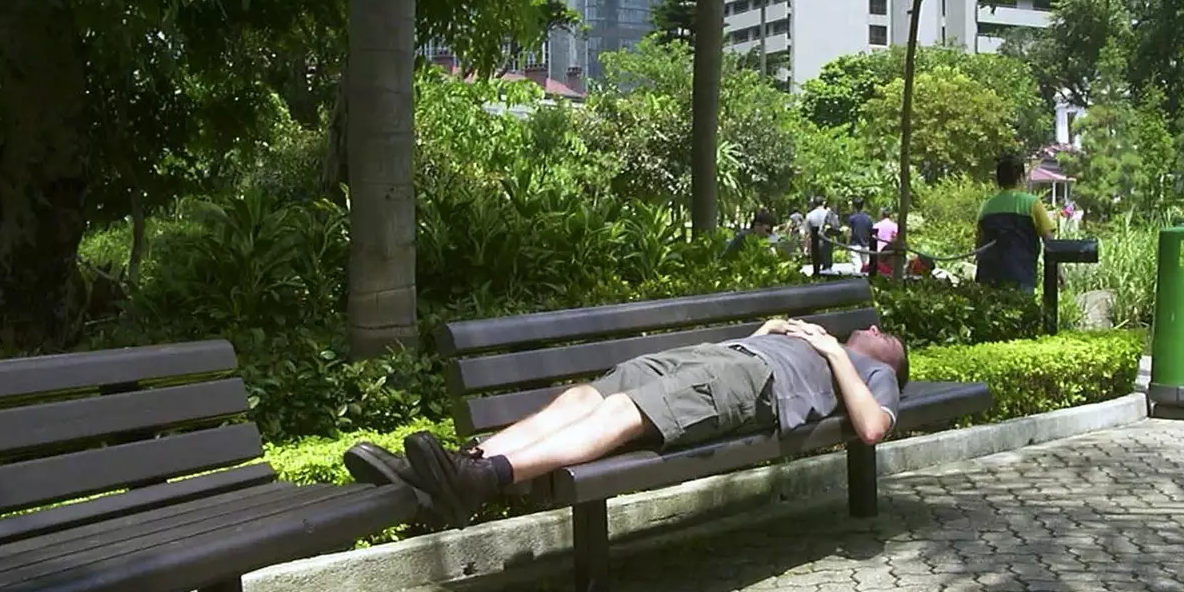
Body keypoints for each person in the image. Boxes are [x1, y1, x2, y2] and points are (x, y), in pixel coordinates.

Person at [344, 319, 909, 527]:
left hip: (748, 385)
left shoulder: (866, 371)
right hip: (715, 360)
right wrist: (770, 332)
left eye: (893, 340)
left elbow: (871, 429)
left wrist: (834, 353)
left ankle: (485, 478)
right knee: (579, 399)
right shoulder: (821, 339)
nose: (883, 331)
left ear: (888, 363)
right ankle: (453, 470)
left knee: (623, 415)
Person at [975, 154, 1057, 293]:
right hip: (1021, 276)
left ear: (998, 180)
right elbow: (1049, 240)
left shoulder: (986, 207)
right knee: (1022, 313)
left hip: (988, 277)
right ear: (1021, 178)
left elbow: (979, 244)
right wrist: (1058, 271)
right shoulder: (1032, 203)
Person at [846, 198, 874, 270]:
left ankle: (857, 281)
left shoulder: (852, 218)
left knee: (856, 268)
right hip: (866, 245)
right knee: (865, 267)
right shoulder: (869, 218)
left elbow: (850, 232)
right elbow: (871, 233)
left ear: (854, 206)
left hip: (855, 245)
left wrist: (847, 244)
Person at [804, 196, 830, 274]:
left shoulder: (809, 215)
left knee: (816, 266)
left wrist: (806, 247)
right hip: (827, 241)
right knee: (827, 266)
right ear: (824, 202)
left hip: (815, 242)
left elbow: (807, 233)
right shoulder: (828, 213)